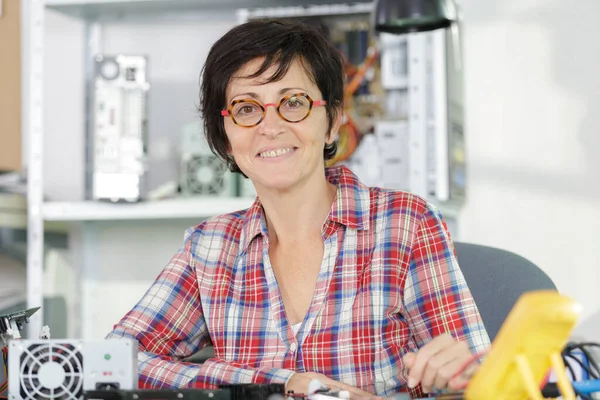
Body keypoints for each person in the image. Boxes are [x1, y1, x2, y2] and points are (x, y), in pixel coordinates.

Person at [106, 19, 491, 399]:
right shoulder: (209, 247)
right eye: (246, 108)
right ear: (225, 138)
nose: (270, 127)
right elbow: (117, 360)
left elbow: (479, 383)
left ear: (332, 122)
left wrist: (459, 377)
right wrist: (280, 385)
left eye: (294, 103)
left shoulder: (405, 223)